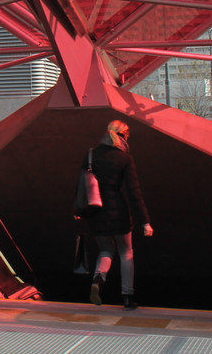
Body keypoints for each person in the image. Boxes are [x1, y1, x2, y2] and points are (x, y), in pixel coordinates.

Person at [84, 119, 153, 310]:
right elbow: (134, 192)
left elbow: (82, 186)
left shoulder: (91, 155)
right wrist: (145, 221)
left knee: (105, 251)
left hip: (96, 213)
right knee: (126, 253)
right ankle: (128, 297)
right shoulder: (124, 158)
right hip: (118, 212)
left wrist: (79, 212)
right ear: (123, 135)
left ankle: (98, 279)